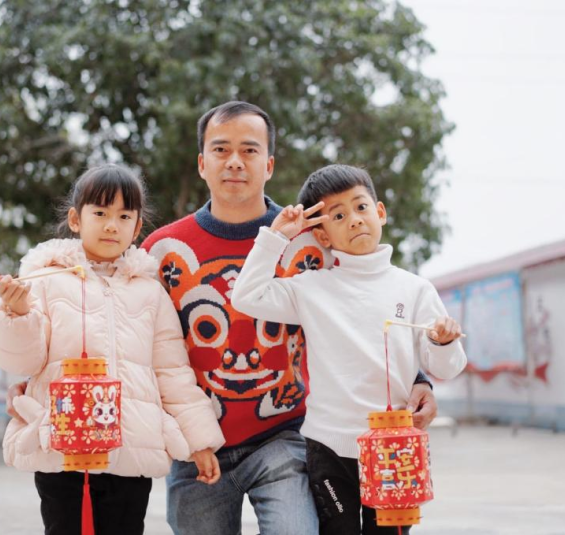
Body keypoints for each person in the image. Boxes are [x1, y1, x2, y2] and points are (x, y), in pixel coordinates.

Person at [139, 102, 439, 535]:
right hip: (198, 443)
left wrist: (419, 378)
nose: (235, 161)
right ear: (202, 163)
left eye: (249, 150)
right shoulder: (162, 250)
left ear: (270, 164)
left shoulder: (314, 239)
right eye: (221, 150)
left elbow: (371, 302)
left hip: (285, 434)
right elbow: (139, 337)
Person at [231, 163, 467, 534]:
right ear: (321, 235)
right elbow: (246, 296)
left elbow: (448, 367)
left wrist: (444, 342)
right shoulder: (310, 288)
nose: (354, 219)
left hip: (394, 449)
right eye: (338, 215)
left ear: (380, 212)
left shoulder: (415, 290)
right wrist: (276, 237)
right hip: (328, 447)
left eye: (361, 207)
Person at [0, 164, 225, 535]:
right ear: (75, 219)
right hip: (62, 450)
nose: (112, 225)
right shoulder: (44, 282)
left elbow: (173, 374)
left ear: (137, 226)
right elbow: (22, 361)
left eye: (124, 216)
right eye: (100, 213)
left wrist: (201, 441)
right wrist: (17, 315)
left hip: (130, 452)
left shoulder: (151, 293)